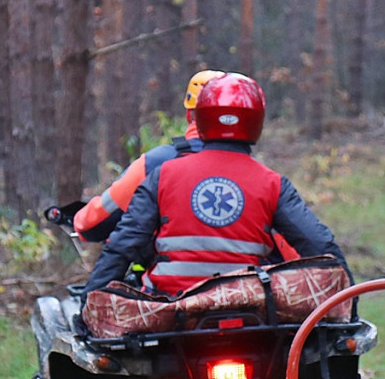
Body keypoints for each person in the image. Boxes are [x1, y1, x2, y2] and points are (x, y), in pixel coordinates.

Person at [83, 72, 347, 299]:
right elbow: (318, 245)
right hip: (249, 308)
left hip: (170, 311)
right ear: (256, 121)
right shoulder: (272, 183)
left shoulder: (162, 175)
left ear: (198, 117)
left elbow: (122, 246)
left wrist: (89, 306)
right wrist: (347, 301)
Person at [73, 70, 225, 242]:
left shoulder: (155, 163)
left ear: (189, 114)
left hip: (166, 268)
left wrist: (79, 220)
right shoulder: (258, 175)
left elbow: (97, 222)